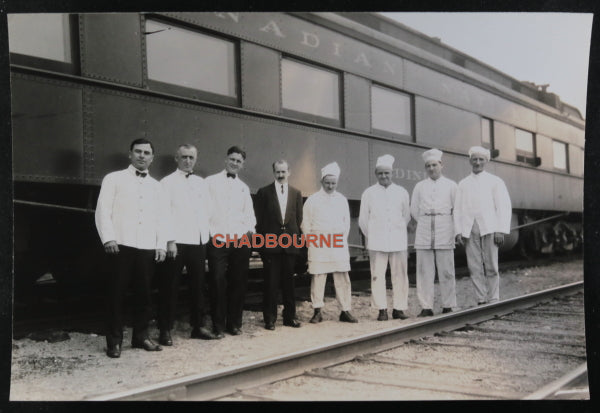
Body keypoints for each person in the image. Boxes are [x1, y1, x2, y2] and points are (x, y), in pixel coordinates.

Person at [95, 138, 169, 358]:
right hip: (121, 245)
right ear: (130, 154)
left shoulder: (157, 186)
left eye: (147, 153)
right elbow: (102, 210)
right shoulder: (113, 179)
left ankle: (141, 336)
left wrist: (161, 245)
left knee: (144, 295)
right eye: (138, 151)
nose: (142, 156)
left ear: (152, 158)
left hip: (146, 247)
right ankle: (114, 342)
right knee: (116, 294)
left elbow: (162, 218)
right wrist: (109, 238)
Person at [158, 144, 217, 345]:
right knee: (170, 286)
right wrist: (170, 241)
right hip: (176, 242)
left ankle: (197, 326)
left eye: (191, 157)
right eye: (184, 157)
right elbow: (163, 214)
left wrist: (206, 237)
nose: (188, 161)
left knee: (198, 286)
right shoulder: (166, 183)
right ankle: (165, 329)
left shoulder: (202, 183)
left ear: (196, 159)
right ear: (177, 158)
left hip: (198, 242)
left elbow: (208, 211)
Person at [205, 146, 256, 337]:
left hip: (239, 241)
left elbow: (250, 215)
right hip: (218, 240)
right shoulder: (209, 182)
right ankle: (218, 325)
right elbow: (204, 210)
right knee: (217, 280)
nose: (235, 163)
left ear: (242, 165)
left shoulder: (244, 188)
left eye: (239, 161)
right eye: (232, 159)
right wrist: (210, 234)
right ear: (226, 160)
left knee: (238, 282)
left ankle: (234, 324)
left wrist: (249, 234)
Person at [454, 146, 512, 305]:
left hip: (490, 227)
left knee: (492, 265)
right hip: (469, 228)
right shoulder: (463, 184)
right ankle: (481, 299)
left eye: (480, 159)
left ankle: (494, 298)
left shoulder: (495, 181)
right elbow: (457, 209)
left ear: (486, 161)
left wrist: (500, 229)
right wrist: (458, 231)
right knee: (474, 266)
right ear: (470, 161)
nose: (477, 162)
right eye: (474, 159)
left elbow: (503, 206)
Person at [302, 162, 358, 324]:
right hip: (319, 244)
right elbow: (305, 223)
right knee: (318, 277)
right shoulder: (312, 200)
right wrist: (310, 241)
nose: (330, 186)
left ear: (337, 183)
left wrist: (340, 239)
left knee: (342, 277)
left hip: (337, 244)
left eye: (333, 183)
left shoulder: (341, 200)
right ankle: (317, 310)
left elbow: (346, 222)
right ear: (322, 182)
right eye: (327, 183)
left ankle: (345, 310)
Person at [359, 154, 410, 321]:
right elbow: (363, 220)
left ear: (392, 173)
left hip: (397, 240)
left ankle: (399, 308)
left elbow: (406, 216)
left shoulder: (401, 192)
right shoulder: (369, 193)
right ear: (376, 174)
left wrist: (396, 230)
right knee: (377, 275)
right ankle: (381, 309)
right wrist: (373, 235)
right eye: (380, 173)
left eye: (387, 173)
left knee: (400, 275)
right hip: (377, 241)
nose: (384, 176)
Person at [255, 160, 303, 330]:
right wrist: (262, 246)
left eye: (284, 172)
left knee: (289, 283)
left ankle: (290, 317)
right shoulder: (264, 192)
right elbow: (259, 222)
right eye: (278, 172)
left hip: (289, 245)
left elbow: (298, 220)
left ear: (289, 171)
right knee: (271, 283)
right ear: (273, 172)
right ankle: (269, 319)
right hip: (270, 246)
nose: (281, 175)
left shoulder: (296, 193)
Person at [410, 148, 458, 317]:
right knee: (424, 271)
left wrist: (453, 227)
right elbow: (414, 209)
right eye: (428, 166)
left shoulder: (452, 185)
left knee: (446, 270)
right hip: (424, 230)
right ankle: (426, 306)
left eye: (434, 165)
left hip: (445, 227)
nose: (431, 168)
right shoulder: (419, 186)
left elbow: (457, 209)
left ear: (441, 165)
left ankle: (448, 304)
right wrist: (425, 219)